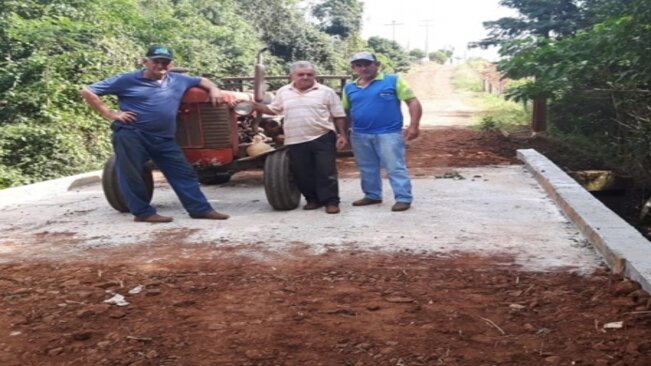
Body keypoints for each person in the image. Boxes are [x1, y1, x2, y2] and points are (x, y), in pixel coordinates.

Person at [80, 45, 230, 223]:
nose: (161, 65)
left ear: (171, 64)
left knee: (184, 172)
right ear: (145, 62)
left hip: (164, 137)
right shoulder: (127, 80)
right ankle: (143, 213)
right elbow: (87, 91)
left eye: (165, 62)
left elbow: (202, 80)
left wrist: (214, 89)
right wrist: (111, 114)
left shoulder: (178, 80)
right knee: (132, 174)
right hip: (132, 134)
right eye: (156, 61)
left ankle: (200, 209)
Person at [254, 61, 348, 214]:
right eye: (301, 74)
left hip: (322, 136)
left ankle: (331, 202)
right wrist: (255, 106)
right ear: (292, 76)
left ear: (314, 76)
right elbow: (274, 109)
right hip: (295, 139)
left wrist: (342, 134)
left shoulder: (326, 91)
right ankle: (312, 200)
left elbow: (339, 115)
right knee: (302, 173)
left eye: (309, 74)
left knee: (326, 172)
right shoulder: (283, 91)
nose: (305, 77)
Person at [342, 51, 422, 212]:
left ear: (377, 65)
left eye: (367, 64)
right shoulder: (350, 87)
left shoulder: (393, 80)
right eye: (359, 65)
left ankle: (403, 198)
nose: (363, 68)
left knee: (394, 166)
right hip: (360, 134)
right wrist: (344, 134)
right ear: (354, 68)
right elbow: (345, 112)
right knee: (367, 166)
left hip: (389, 133)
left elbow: (412, 102)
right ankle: (372, 195)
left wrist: (414, 125)